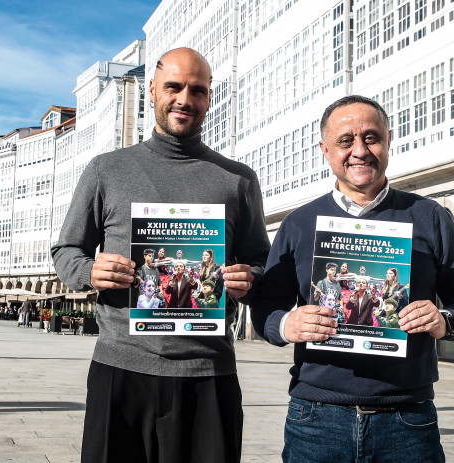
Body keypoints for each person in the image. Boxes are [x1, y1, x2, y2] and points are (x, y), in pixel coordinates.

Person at [51, 47, 270, 463]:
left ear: (209, 98)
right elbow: (67, 250)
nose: (185, 99)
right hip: (121, 369)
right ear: (152, 90)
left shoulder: (239, 180)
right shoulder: (105, 169)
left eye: (198, 90)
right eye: (174, 86)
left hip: (209, 373)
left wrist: (250, 278)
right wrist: (89, 271)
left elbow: (261, 261)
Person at [250, 95, 454, 462]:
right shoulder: (299, 224)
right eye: (346, 141)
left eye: (371, 138)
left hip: (407, 421)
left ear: (389, 140)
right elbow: (266, 306)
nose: (360, 151)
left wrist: (445, 320)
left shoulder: (430, 217)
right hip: (316, 419)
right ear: (325, 149)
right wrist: (286, 324)